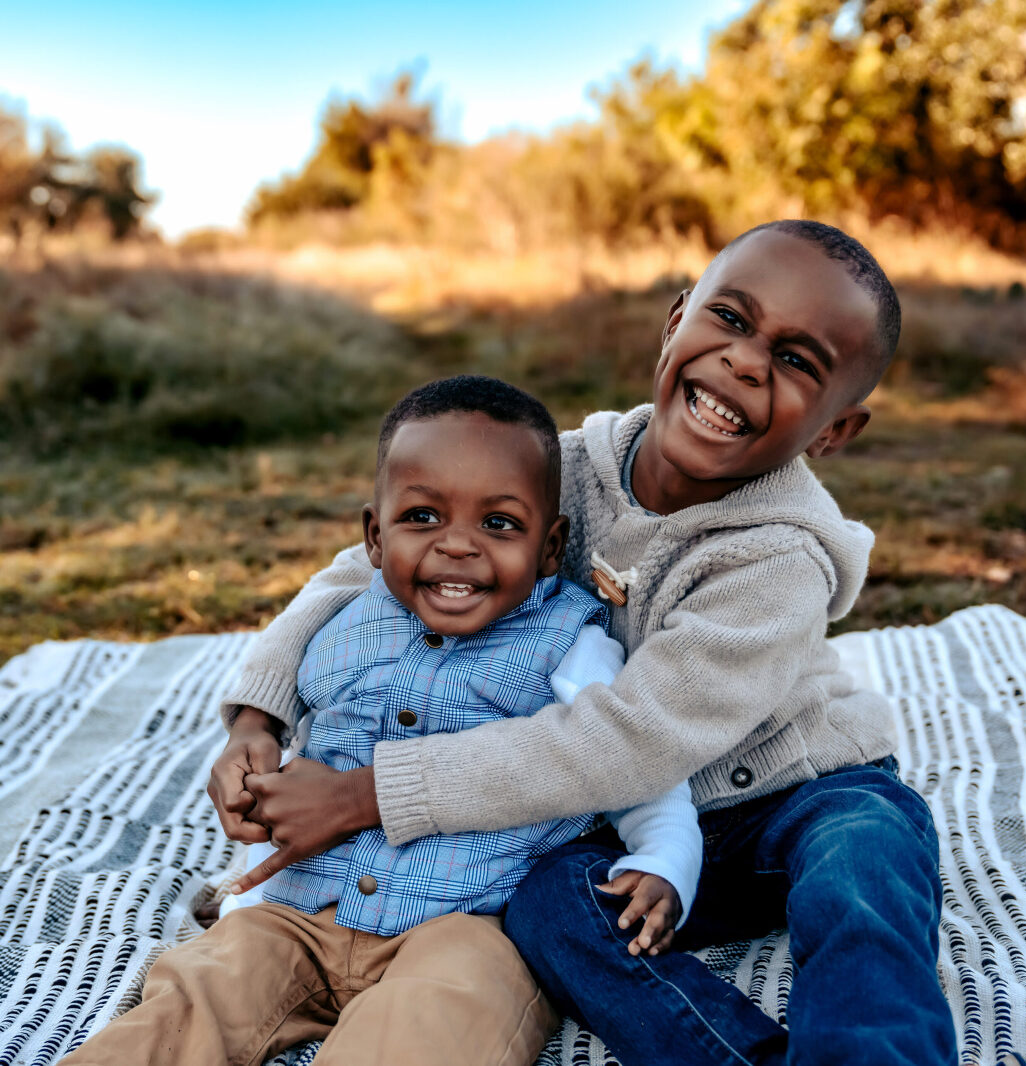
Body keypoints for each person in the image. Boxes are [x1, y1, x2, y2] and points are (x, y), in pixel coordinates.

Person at [212, 220, 958, 1066]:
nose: (747, 362)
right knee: (545, 905)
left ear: (833, 431)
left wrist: (368, 793)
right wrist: (256, 718)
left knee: (863, 873)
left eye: (797, 362)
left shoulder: (781, 558)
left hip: (801, 788)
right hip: (640, 817)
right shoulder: (563, 466)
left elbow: (627, 736)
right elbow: (363, 566)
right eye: (732, 320)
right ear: (677, 322)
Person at [63, 376, 701, 1066]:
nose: (457, 545)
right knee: (195, 994)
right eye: (423, 518)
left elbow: (632, 763)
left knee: (442, 1015)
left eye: (499, 523)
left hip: (468, 923)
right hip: (301, 911)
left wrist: (663, 863)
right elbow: (290, 763)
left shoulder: (568, 643)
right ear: (375, 534)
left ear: (551, 547)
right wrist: (250, 875)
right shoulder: (339, 623)